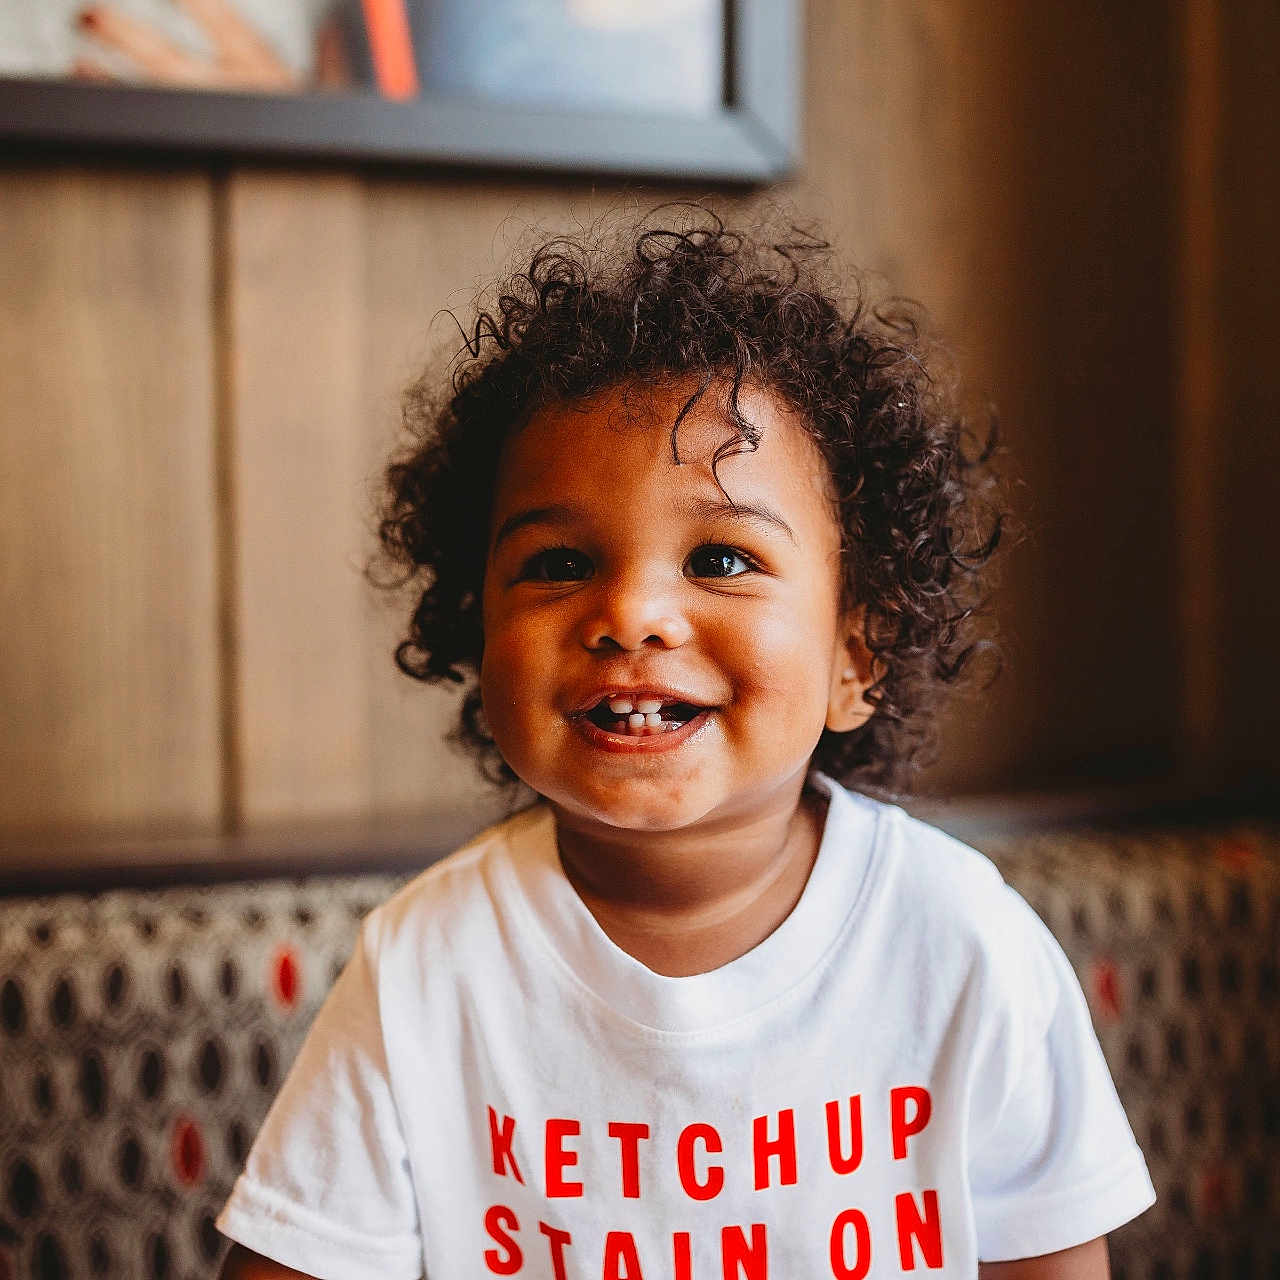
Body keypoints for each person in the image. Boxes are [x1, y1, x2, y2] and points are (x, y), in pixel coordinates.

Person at [215, 205, 1156, 1279]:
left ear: (856, 652)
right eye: (557, 562)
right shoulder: (426, 967)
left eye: (717, 560)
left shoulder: (963, 944)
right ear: (474, 635)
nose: (631, 613)